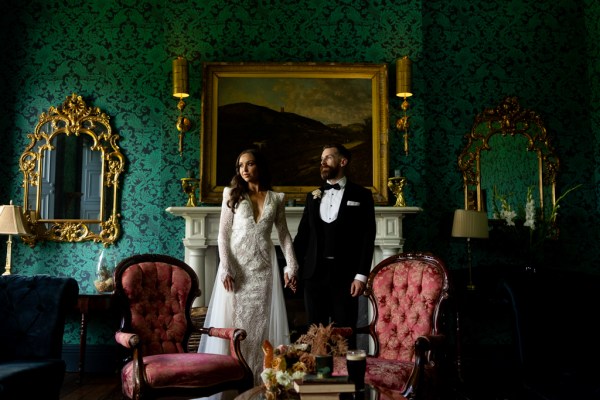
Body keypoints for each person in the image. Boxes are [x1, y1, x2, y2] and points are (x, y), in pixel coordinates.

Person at [198, 148, 299, 387]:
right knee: (235, 322)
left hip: (264, 268)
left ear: (260, 167)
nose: (244, 169)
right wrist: (225, 267)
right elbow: (223, 235)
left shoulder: (276, 198)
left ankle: (260, 384)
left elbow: (284, 235)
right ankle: (232, 383)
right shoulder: (231, 194)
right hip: (237, 269)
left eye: (250, 164)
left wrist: (291, 267)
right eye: (240, 165)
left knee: (260, 324)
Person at [293, 144, 376, 344]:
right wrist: (291, 266)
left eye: (328, 157)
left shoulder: (362, 195)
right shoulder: (312, 197)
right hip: (314, 275)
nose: (323, 162)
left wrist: (361, 275)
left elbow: (367, 237)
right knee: (315, 334)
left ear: (342, 161)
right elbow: (302, 237)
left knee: (345, 334)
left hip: (346, 275)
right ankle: (317, 374)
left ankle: (347, 375)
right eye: (322, 158)